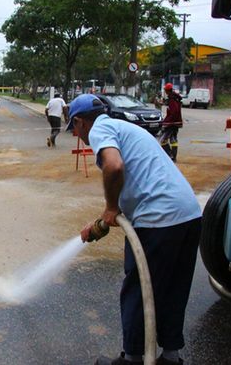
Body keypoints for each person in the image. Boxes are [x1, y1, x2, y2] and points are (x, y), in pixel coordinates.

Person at [66, 94, 201, 365]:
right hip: (189, 215)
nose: (75, 134)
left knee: (138, 290)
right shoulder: (125, 128)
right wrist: (103, 220)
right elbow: (137, 182)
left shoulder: (101, 128)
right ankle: (171, 357)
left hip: (158, 218)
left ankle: (132, 359)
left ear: (80, 122)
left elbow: (114, 167)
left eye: (74, 128)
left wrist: (110, 207)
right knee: (173, 289)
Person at [160, 83, 183, 162]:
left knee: (163, 141)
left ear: (167, 91)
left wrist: (167, 122)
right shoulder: (175, 98)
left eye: (165, 90)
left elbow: (174, 112)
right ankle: (173, 157)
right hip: (175, 123)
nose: (165, 91)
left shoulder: (172, 99)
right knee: (173, 140)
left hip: (171, 124)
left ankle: (170, 155)